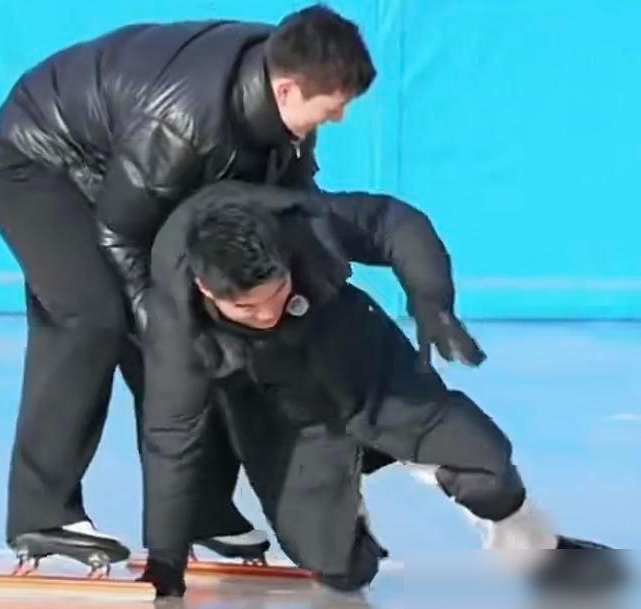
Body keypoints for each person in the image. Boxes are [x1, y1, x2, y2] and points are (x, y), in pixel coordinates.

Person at [0, 5, 376, 565]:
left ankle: (197, 506)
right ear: (287, 90)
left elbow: (292, 201)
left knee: (204, 328)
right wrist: (162, 327)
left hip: (126, 170)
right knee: (92, 317)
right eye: (332, 109)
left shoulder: (281, 92)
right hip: (42, 163)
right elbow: (120, 233)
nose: (339, 119)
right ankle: (41, 513)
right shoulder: (186, 123)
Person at [137, 181, 625, 597]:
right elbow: (171, 444)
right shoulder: (176, 334)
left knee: (488, 469)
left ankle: (537, 549)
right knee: (340, 570)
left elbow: (392, 222)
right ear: (206, 289)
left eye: (277, 293)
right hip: (287, 420)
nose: (268, 314)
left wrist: (431, 300)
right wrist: (165, 559)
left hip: (368, 369)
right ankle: (346, 521)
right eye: (247, 308)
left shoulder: (301, 221)